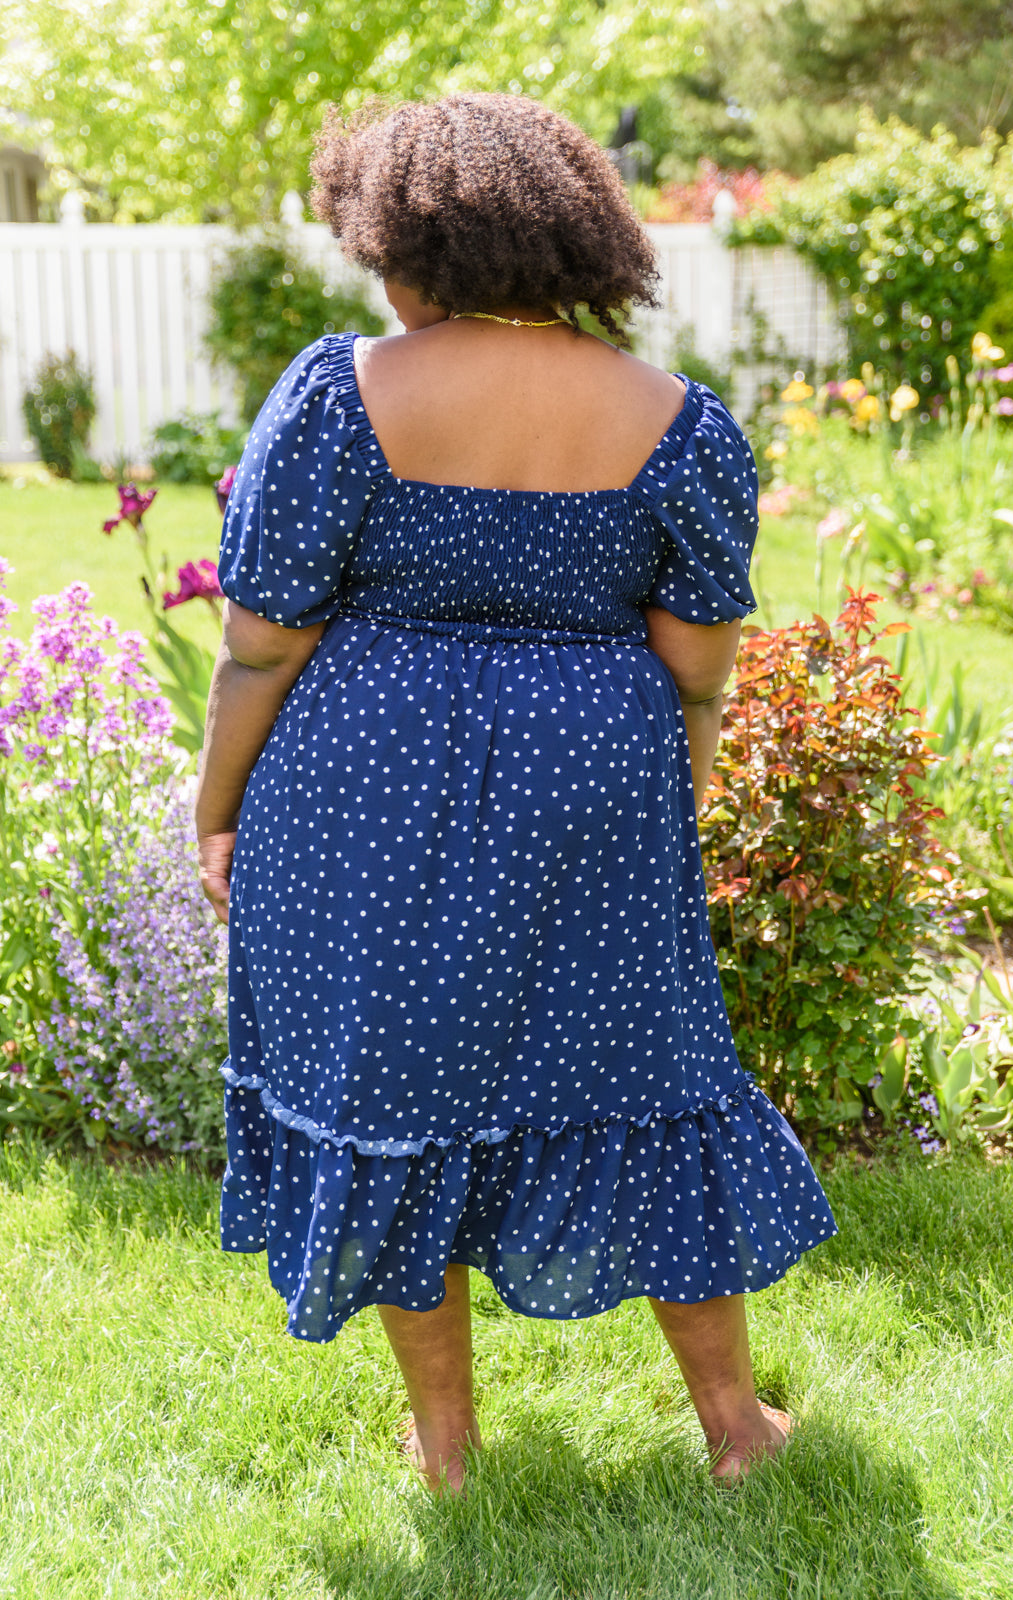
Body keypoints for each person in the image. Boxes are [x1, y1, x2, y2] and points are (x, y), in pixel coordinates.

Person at [195, 92, 836, 1494]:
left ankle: (450, 1456)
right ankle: (735, 1427)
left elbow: (262, 643)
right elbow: (695, 670)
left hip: (364, 782)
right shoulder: (677, 421)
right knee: (648, 1076)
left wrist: (215, 807)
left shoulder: (339, 393)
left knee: (395, 1090)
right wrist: (671, 817)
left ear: (413, 244)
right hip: (594, 781)